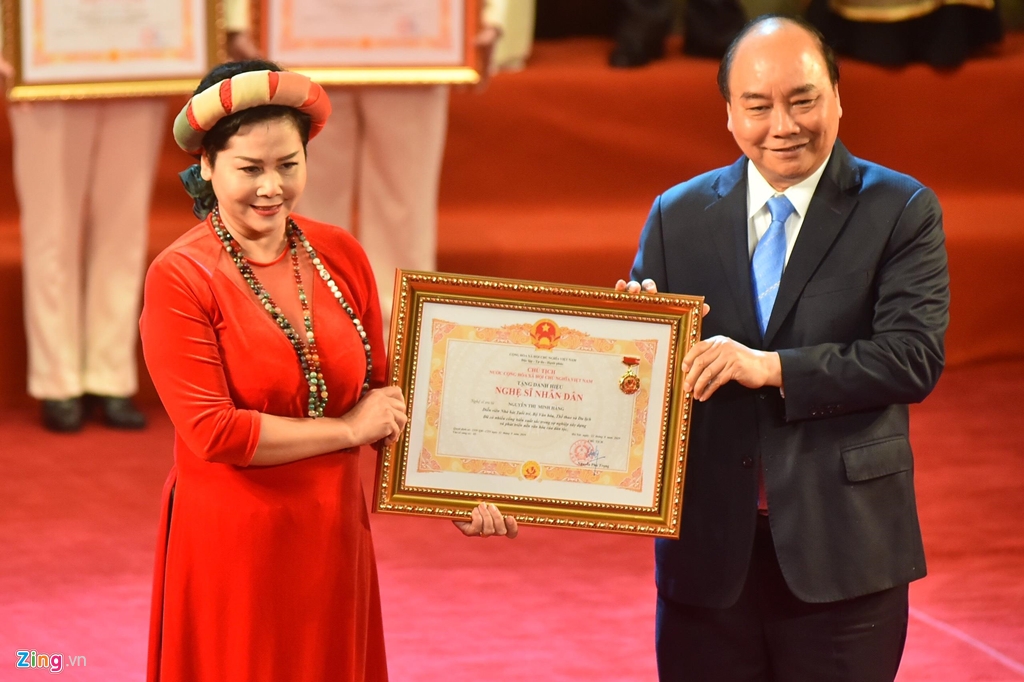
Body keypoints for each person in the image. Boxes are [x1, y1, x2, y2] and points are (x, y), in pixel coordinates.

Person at [141, 60, 515, 682]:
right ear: (206, 166)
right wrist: (348, 431)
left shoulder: (339, 252)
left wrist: (454, 488)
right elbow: (215, 433)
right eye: (249, 169)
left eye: (288, 165)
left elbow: (384, 391)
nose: (271, 187)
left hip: (332, 538)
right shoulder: (179, 276)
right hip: (234, 548)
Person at [617, 15, 948, 681]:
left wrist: (770, 369)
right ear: (730, 114)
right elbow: (645, 381)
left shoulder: (900, 209)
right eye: (759, 105)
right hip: (708, 555)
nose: (783, 125)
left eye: (803, 100)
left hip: (843, 550)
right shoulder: (676, 215)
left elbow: (911, 357)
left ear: (836, 96)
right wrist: (629, 347)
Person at [0, 28, 163, 432]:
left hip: (143, 57)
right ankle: (58, 379)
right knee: (51, 230)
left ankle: (110, 376)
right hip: (43, 55)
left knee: (123, 231)